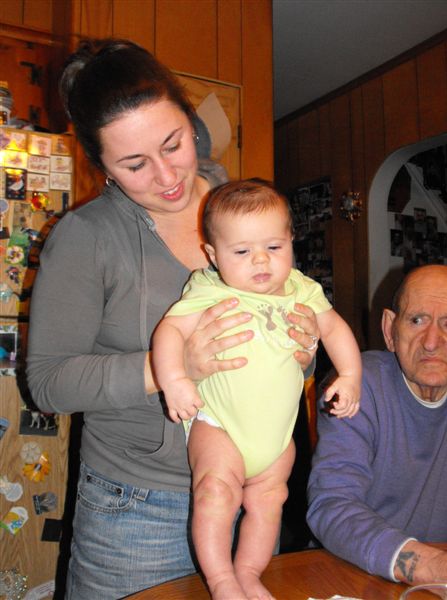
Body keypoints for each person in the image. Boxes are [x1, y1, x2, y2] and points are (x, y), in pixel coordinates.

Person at [25, 39, 320, 600]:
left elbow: (283, 334)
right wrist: (170, 366)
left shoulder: (240, 211)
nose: (166, 176)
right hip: (136, 512)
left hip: (252, 494)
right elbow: (48, 382)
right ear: (101, 166)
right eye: (135, 165)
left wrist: (301, 350)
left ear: (191, 122)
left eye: (173, 144)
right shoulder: (86, 238)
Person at [152, 179, 361, 600]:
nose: (261, 260)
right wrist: (174, 380)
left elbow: (334, 328)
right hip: (220, 425)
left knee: (270, 499)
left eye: (274, 246)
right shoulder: (208, 288)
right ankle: (221, 580)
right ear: (213, 255)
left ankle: (248, 573)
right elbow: (169, 330)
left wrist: (351, 374)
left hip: (277, 435)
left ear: (291, 242)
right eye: (242, 252)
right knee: (214, 493)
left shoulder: (303, 289)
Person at [307, 264, 447, 586]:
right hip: (351, 575)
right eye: (417, 320)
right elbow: (331, 506)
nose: (431, 342)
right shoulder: (356, 388)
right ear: (389, 330)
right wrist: (433, 567)